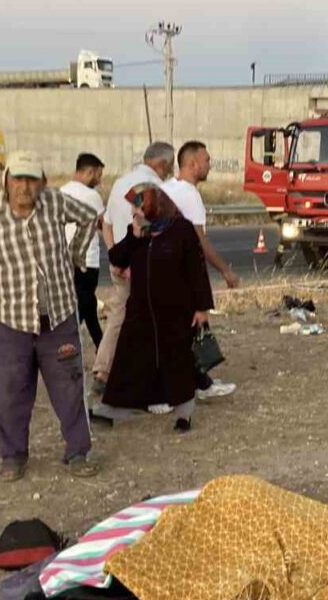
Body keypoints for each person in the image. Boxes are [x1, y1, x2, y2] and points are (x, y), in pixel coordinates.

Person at [0, 150, 101, 481]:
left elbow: (88, 217)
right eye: (18, 179)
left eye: (31, 179)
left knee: (69, 388)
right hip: (13, 320)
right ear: (6, 180)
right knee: (12, 391)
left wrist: (75, 256)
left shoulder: (54, 202)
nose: (24, 187)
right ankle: (13, 456)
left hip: (58, 315)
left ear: (41, 182)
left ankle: (78, 452)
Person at [90, 183, 214, 433]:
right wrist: (134, 237)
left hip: (176, 313)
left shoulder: (181, 230)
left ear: (155, 207)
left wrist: (202, 308)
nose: (134, 215)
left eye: (139, 209)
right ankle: (112, 409)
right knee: (128, 360)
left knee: (178, 364)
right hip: (141, 311)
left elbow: (197, 271)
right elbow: (117, 258)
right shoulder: (139, 231)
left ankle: (184, 415)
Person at [92, 142, 176, 394]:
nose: (170, 172)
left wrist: (115, 257)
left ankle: (104, 371)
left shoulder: (120, 183)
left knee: (119, 316)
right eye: (170, 167)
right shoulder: (156, 189)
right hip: (141, 268)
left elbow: (105, 224)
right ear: (162, 165)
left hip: (120, 263)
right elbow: (159, 234)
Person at [162, 140, 239, 401]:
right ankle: (198, 384)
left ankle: (198, 380)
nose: (210, 164)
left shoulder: (167, 188)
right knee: (193, 326)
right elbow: (200, 243)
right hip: (181, 273)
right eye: (206, 160)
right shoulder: (189, 194)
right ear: (193, 164)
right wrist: (225, 271)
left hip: (161, 271)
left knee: (180, 331)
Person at [60, 153, 107, 349]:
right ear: (88, 172)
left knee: (87, 303)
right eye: (98, 175)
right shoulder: (92, 196)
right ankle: (65, 340)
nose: (99, 180)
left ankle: (101, 346)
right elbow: (103, 225)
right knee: (85, 302)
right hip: (87, 258)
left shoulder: (61, 192)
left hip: (65, 258)